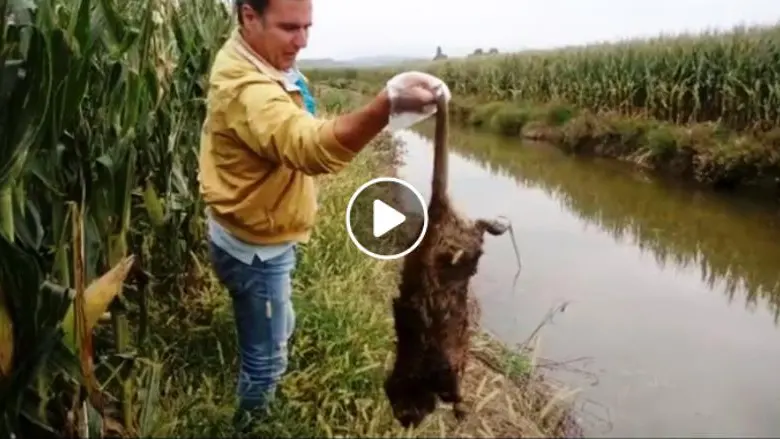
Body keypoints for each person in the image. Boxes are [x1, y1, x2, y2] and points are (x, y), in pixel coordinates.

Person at [197, 0, 445, 431]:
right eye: (290, 27)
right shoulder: (247, 90)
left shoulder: (258, 56)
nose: (303, 40)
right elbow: (309, 148)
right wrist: (384, 107)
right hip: (257, 252)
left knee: (278, 322)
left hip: (253, 235)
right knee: (266, 361)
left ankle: (264, 336)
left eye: (308, 26)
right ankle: (251, 426)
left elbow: (297, 120)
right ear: (248, 17)